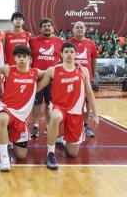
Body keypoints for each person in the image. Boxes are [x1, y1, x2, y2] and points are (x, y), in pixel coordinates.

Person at [37, 42, 99, 170]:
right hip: (59, 106)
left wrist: (96, 115)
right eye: (66, 52)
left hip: (76, 111)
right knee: (54, 117)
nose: (69, 54)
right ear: (61, 54)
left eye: (72, 52)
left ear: (76, 54)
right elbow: (37, 88)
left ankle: (63, 140)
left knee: (73, 154)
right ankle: (51, 153)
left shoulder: (83, 70)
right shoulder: (53, 70)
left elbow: (89, 93)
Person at [0, 46, 44, 171]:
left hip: (21, 116)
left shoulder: (35, 72)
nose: (22, 59)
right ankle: (4, 157)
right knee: (2, 119)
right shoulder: (8, 70)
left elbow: (50, 73)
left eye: (24, 57)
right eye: (19, 57)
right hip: (7, 108)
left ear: (29, 59)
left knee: (21, 156)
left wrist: (75, 63)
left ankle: (9, 135)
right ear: (15, 58)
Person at [29, 18, 63, 138]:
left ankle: (49, 126)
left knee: (50, 103)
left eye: (49, 26)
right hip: (37, 77)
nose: (47, 28)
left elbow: (63, 59)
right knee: (37, 103)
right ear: (40, 29)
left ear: (53, 28)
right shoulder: (32, 41)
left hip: (54, 78)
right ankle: (36, 125)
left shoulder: (59, 41)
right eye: (44, 26)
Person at [67, 21, 98, 137]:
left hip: (86, 77)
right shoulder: (68, 43)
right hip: (71, 78)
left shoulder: (90, 43)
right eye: (77, 27)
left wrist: (94, 74)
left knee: (87, 102)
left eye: (81, 27)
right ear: (73, 30)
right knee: (71, 102)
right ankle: (70, 125)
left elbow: (94, 59)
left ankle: (85, 125)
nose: (79, 29)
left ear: (85, 30)